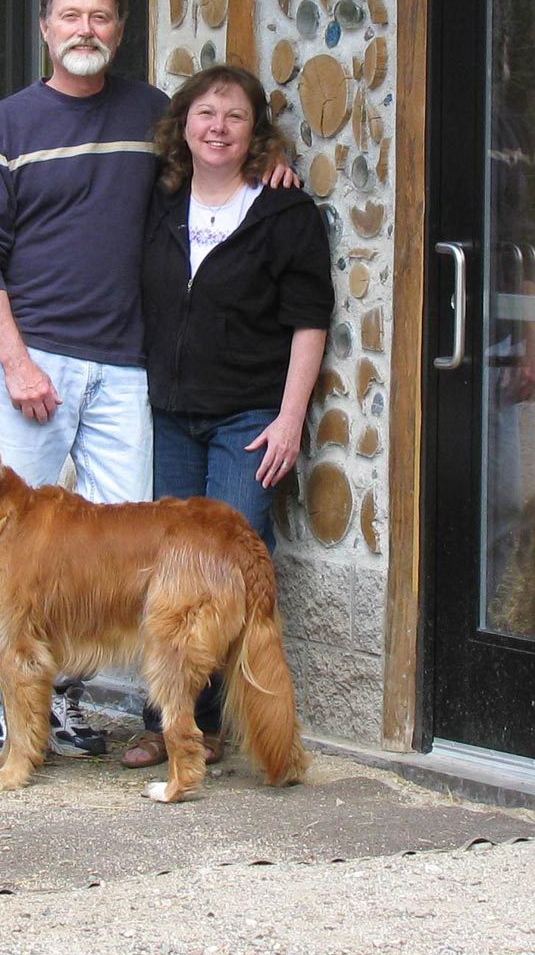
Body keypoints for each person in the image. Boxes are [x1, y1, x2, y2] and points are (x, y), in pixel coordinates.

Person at [0, 0, 162, 760]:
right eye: (70, 16)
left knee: (112, 547)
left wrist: (269, 163)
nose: (85, 30)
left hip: (125, 366)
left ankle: (60, 700)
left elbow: (212, 165)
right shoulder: (2, 127)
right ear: (45, 29)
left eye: (100, 17)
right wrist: (16, 362)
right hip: (31, 363)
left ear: (120, 28)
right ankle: (3, 704)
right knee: (1, 543)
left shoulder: (151, 115)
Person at [119, 63, 331, 770]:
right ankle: (173, 724)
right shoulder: (157, 200)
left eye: (234, 117)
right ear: (184, 125)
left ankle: (231, 723)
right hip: (170, 417)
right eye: (205, 114)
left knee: (227, 571)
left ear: (255, 133)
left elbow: (309, 321)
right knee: (168, 573)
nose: (218, 127)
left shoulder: (285, 214)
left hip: (248, 419)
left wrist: (290, 418)